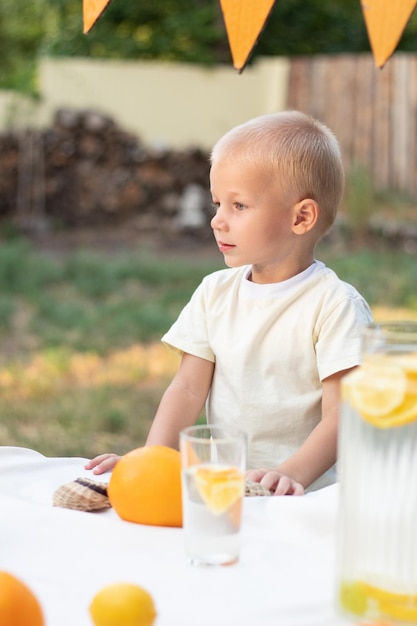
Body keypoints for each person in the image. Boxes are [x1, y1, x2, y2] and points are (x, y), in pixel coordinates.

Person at [85, 110, 373, 495]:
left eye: (239, 206)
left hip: (304, 497)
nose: (217, 221)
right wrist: (151, 461)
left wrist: (290, 474)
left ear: (301, 217)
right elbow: (187, 389)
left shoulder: (334, 305)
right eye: (217, 203)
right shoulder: (214, 293)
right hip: (220, 487)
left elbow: (343, 415)